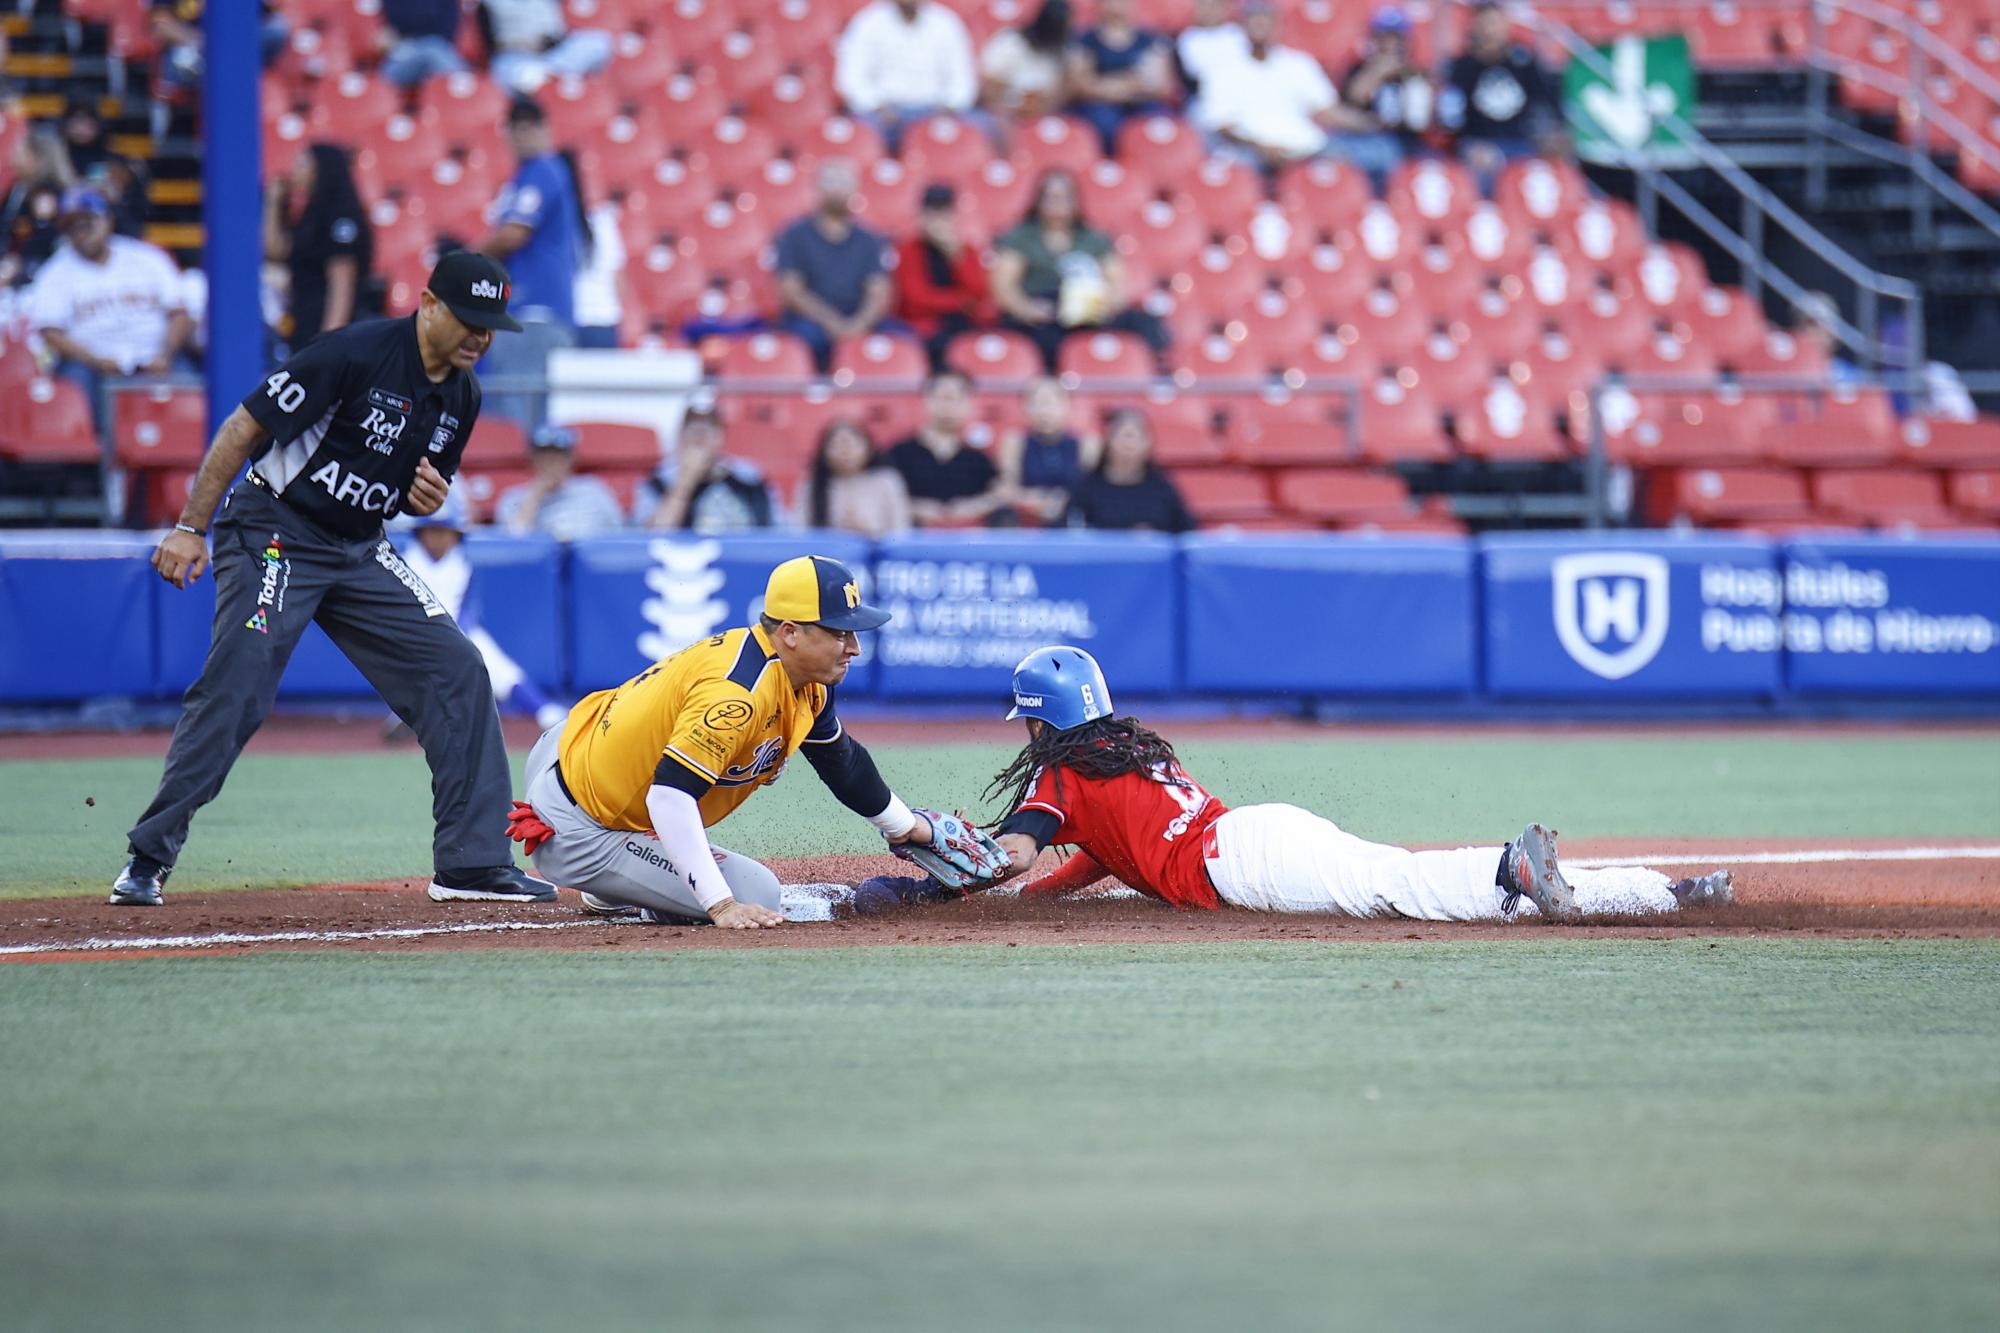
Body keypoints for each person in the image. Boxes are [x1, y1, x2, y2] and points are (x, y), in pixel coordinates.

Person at [114, 252, 554, 910]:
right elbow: (243, 428)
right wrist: (188, 527)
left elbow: (411, 483)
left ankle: (472, 862)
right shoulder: (352, 353)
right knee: (241, 679)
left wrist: (422, 496)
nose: (479, 336)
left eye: (490, 326)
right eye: (468, 319)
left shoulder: (462, 394)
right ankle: (149, 854)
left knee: (460, 667)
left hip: (358, 546)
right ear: (428, 304)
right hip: (275, 531)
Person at [975, 646, 1737, 921]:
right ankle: (1657, 891)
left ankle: (1510, 864)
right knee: (1439, 892)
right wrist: (1036, 897)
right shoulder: (1122, 750)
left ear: (1041, 723)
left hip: (1237, 860)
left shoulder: (1062, 772)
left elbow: (1013, 850)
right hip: (1259, 831)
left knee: (1393, 887)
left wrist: (966, 871)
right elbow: (1107, 851)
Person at [505, 555, 971, 928]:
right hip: (576, 824)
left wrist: (904, 825)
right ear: (789, 632)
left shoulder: (801, 677)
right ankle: (615, 880)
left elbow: (840, 760)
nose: (854, 646)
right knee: (757, 895)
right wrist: (720, 904)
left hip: (572, 746)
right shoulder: (738, 697)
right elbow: (669, 799)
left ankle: (621, 882)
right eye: (838, 632)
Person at [394, 487, 568, 734]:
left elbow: (463, 615)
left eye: (445, 531)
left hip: (454, 633)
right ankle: (413, 710)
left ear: (455, 535)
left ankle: (540, 708)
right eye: (432, 531)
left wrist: (458, 643)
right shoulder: (405, 562)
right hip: (412, 640)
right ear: (420, 534)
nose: (439, 538)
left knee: (489, 660)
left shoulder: (460, 563)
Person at [28, 187, 194, 436]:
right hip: (92, 366)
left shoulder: (146, 257)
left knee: (190, 381)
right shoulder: (55, 272)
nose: (82, 230)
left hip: (156, 358)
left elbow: (180, 314)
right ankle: (93, 466)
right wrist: (95, 361)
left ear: (107, 220)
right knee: (74, 382)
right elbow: (51, 333)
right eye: (74, 225)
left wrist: (165, 354)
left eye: (88, 221)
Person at [477, 98, 584, 432]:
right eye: (517, 127)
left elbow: (513, 234)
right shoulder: (527, 175)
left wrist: (466, 259)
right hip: (529, 313)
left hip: (534, 312)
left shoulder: (543, 169)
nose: (524, 135)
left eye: (530, 126)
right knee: (523, 416)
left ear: (546, 129)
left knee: (517, 422)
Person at [993, 168, 1167, 371]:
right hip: (1045, 311)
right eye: (1051, 196)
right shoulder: (1022, 237)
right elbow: (1004, 286)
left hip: (1088, 309)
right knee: (1043, 339)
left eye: (1064, 196)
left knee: (1144, 322)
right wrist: (1026, 309)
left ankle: (1155, 375)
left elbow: (1117, 282)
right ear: (1038, 200)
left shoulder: (1093, 238)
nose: (1057, 202)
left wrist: (1104, 307)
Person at [774, 158, 900, 373]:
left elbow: (879, 291)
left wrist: (859, 325)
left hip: (857, 318)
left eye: (845, 183)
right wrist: (832, 323)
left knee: (901, 341)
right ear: (817, 187)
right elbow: (792, 292)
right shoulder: (794, 235)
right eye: (832, 182)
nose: (838, 190)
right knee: (804, 341)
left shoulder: (869, 239)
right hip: (811, 320)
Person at [1201, 2, 1356, 172]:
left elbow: (1328, 111)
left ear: (1278, 26)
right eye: (1254, 21)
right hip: (1251, 152)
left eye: (1265, 21)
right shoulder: (1223, 70)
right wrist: (1261, 147)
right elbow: (1221, 125)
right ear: (1243, 26)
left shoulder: (1300, 63)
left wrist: (1372, 124)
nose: (1260, 26)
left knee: (1357, 157)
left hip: (1304, 147)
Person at [263, 143, 376, 352]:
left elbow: (342, 283)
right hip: (304, 322)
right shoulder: (311, 213)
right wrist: (274, 202)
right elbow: (275, 250)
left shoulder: (341, 215)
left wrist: (328, 342)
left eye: (302, 164)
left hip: (329, 327)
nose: (295, 170)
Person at [1439, 0, 1563, 179]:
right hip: (1478, 143)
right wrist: (1466, 145)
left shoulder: (1524, 62)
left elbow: (1546, 102)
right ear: (1475, 27)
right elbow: (1451, 120)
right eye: (1485, 24)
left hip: (1521, 143)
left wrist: (1550, 137)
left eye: (1495, 23)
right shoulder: (1462, 66)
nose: (1490, 30)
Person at [835, 0, 979, 152]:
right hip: (885, 111)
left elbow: (963, 80)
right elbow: (851, 79)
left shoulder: (946, 23)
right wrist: (877, 107)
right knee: (860, 132)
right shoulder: (868, 22)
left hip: (935, 108)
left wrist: (948, 108)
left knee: (980, 125)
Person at [882, 369, 1010, 527]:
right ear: (926, 400)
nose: (948, 405)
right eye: (943, 397)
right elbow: (879, 497)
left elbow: (1000, 495)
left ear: (969, 404)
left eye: (956, 399)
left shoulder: (980, 460)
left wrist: (974, 507)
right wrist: (914, 508)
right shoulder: (898, 453)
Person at [633, 399, 777, 533]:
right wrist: (686, 480)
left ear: (721, 438)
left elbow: (778, 533)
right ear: (680, 437)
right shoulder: (657, 482)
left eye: (709, 431)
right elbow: (652, 541)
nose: (700, 440)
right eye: (693, 432)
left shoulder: (749, 479)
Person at [894, 183, 993, 371]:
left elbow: (979, 293)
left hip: (963, 326)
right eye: (932, 214)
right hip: (924, 328)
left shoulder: (965, 251)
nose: (938, 221)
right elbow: (915, 300)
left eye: (944, 214)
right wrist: (960, 302)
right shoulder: (908, 250)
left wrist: (955, 255)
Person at [1335, 8, 1434, 185]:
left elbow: (1426, 118)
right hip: (1367, 139)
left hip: (1408, 142)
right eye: (1385, 37)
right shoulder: (1359, 69)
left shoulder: (1415, 73)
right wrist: (1378, 71)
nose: (1390, 44)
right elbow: (1354, 99)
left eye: (1396, 38)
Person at [1066, 0, 1176, 156]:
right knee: (1104, 124)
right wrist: (1128, 85)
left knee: (1159, 124)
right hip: (1099, 105)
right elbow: (1080, 85)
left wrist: (1107, 84)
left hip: (1141, 104)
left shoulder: (1150, 40)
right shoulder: (1085, 41)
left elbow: (1160, 85)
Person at [1064, 408, 1192, 533]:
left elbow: (1187, 534)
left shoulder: (1163, 488)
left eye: (1134, 437)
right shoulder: (1086, 487)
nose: (1128, 444)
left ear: (1148, 443)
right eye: (1122, 436)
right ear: (1108, 441)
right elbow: (1067, 530)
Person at [994, 376, 1097, 525]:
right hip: (1026, 516)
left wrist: (1061, 500)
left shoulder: (1086, 443)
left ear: (1066, 405)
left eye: (1050, 403)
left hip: (1071, 517)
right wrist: (1033, 500)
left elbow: (1090, 489)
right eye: (1036, 403)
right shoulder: (1014, 442)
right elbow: (1006, 489)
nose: (1043, 410)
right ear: (1025, 407)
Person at [494, 422, 625, 540]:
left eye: (559, 456)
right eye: (545, 456)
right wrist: (535, 494)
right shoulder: (513, 498)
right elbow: (513, 544)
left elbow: (618, 537)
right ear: (532, 459)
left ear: (571, 459)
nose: (552, 463)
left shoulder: (595, 491)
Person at [799, 418, 912, 538]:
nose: (845, 451)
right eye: (837, 445)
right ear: (824, 452)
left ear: (868, 447)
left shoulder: (886, 482)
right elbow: (800, 533)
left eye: (852, 444)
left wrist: (868, 534)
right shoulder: (812, 485)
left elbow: (901, 532)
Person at [479, 0, 613, 96]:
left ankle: (548, 74)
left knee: (600, 43)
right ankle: (555, 78)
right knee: (510, 73)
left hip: (554, 55)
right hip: (518, 57)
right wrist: (521, 45)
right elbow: (488, 43)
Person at [979, 0, 1072, 120]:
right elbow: (989, 89)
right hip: (1002, 113)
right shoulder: (1011, 44)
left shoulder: (1061, 53)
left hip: (1040, 117)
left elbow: (1056, 98)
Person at [571, 168, 626, 351]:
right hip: (603, 318)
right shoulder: (604, 223)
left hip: (574, 318)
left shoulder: (563, 225)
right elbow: (618, 278)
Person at [1176, 0, 1249, 131]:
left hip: (1241, 94)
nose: (1209, 11)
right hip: (1204, 97)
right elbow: (1197, 74)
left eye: (1214, 6)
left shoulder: (1237, 34)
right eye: (1204, 6)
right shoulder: (1188, 38)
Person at [380, 0, 469, 89]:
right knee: (433, 48)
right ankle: (467, 87)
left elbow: (449, 31)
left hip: (438, 52)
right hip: (402, 57)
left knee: (433, 47)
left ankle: (464, 88)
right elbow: (396, 25)